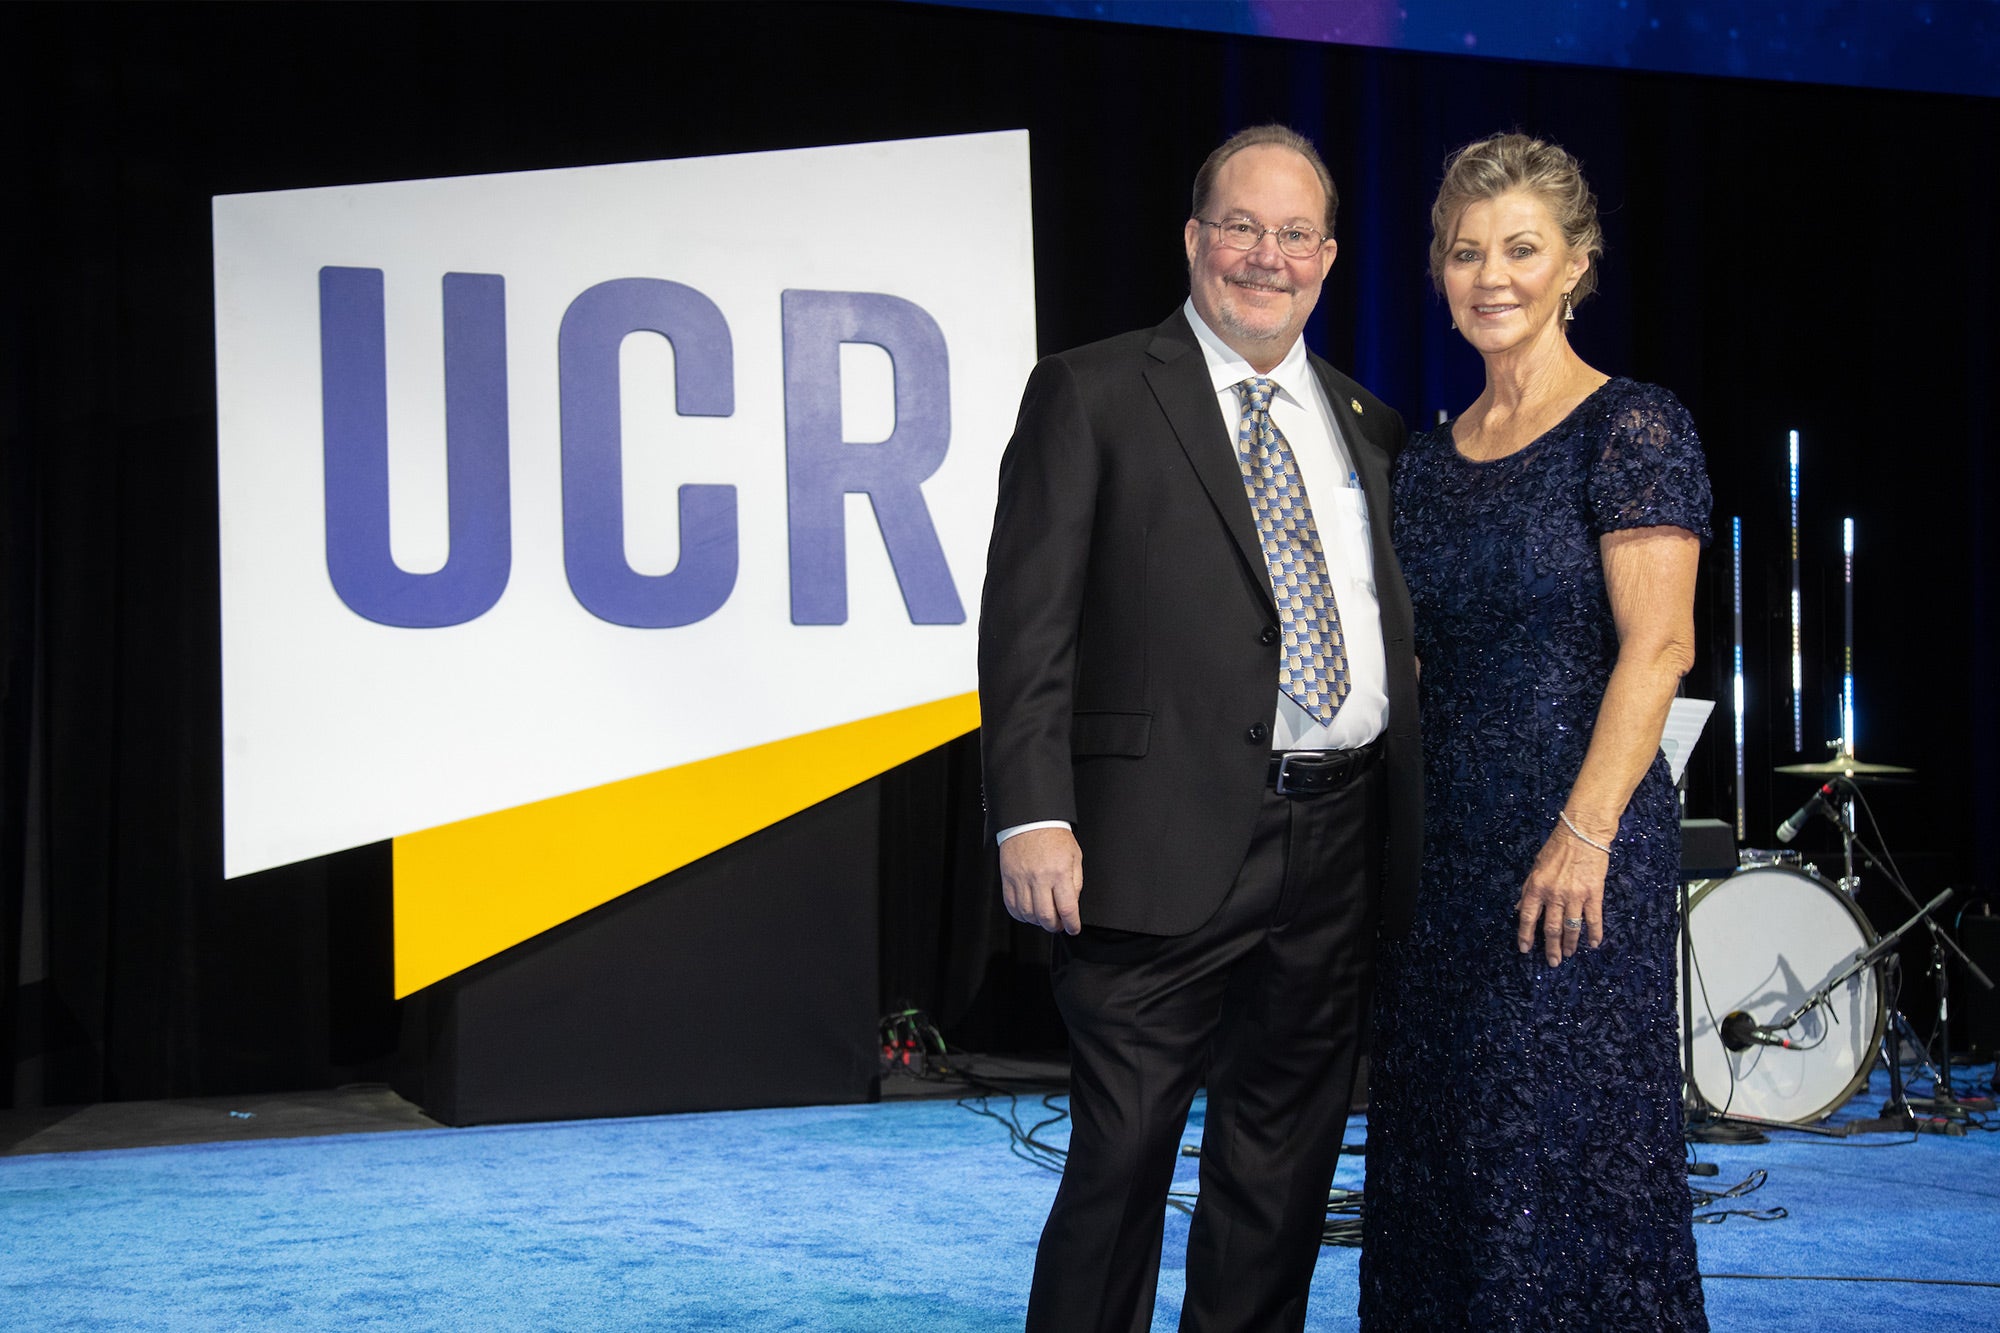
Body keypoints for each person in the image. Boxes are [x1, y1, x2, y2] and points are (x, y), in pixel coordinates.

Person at [978, 124, 1422, 1333]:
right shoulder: (1092, 389)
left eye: (1291, 234)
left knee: (1278, 1174)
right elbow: (1026, 627)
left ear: (1327, 258)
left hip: (1336, 846)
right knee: (1120, 1162)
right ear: (1191, 237)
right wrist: (1032, 809)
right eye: (1238, 225)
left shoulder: (1367, 424)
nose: (1262, 256)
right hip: (1145, 846)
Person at [1356, 133, 1711, 1330]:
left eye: (1519, 248)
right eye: (1465, 252)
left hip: (1577, 848)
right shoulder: (1420, 461)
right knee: (1440, 1150)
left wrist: (1582, 832)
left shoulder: (1632, 427)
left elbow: (1658, 646)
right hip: (1439, 859)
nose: (1489, 276)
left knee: (1543, 1151)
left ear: (1574, 264)